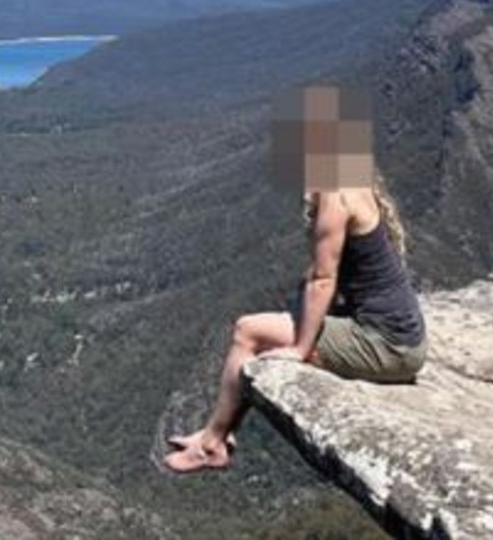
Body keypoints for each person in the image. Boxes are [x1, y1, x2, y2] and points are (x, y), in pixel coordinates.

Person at [162, 84, 427, 474]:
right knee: (289, 308)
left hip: (387, 346)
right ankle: (218, 430)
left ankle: (213, 444)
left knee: (247, 330)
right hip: (403, 336)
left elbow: (323, 279)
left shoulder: (334, 195)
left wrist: (302, 348)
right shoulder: (356, 182)